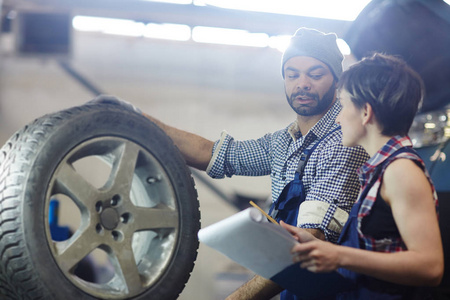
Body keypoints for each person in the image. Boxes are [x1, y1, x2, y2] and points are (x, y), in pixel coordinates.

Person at [91, 27, 369, 299]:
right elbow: (215, 154)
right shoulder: (285, 141)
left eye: (316, 74)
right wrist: (137, 119)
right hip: (295, 284)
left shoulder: (343, 141)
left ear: (337, 80)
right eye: (292, 74)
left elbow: (310, 241)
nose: (302, 83)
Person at [281, 53, 444, 299]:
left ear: (365, 112)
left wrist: (339, 256)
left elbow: (430, 267)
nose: (338, 117)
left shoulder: (400, 171)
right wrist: (319, 247)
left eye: (344, 105)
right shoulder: (380, 170)